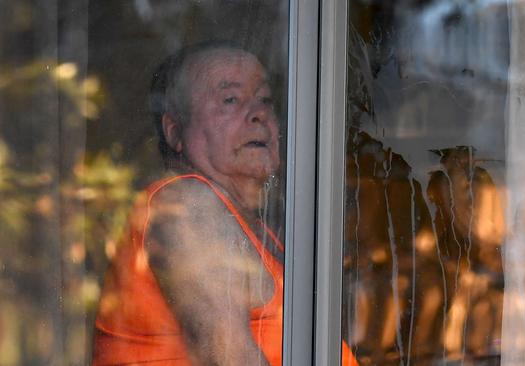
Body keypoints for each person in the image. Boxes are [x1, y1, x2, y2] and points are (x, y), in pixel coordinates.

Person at [92, 40, 358, 366]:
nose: (259, 114)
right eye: (230, 99)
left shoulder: (248, 224)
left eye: (265, 101)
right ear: (175, 132)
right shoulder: (188, 204)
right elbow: (229, 358)